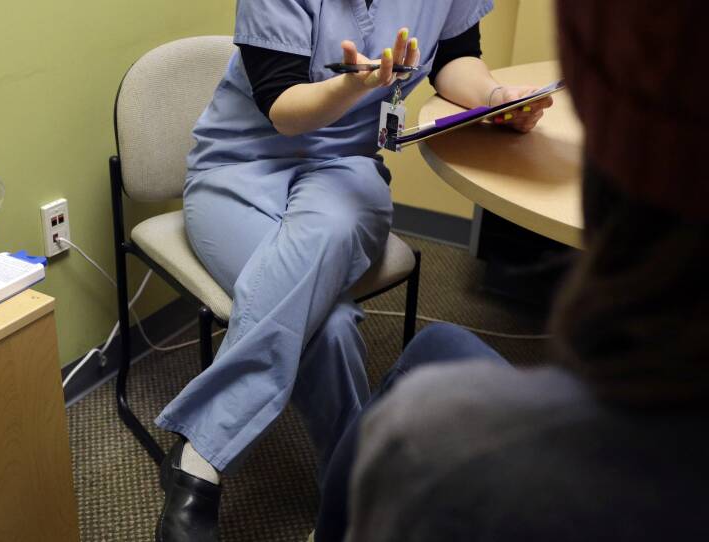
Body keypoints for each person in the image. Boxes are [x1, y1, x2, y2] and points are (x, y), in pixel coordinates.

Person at [154, 1, 554, 540]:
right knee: (331, 324)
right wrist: (353, 88)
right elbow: (282, 107)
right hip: (240, 167)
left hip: (345, 171)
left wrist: (494, 98)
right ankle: (360, 490)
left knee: (333, 228)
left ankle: (197, 458)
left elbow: (456, 58)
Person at [328, 2, 709, 540]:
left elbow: (457, 52)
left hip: (339, 177)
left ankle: (212, 464)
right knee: (422, 344)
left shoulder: (432, 451)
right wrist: (495, 99)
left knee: (374, 361)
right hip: (291, 166)